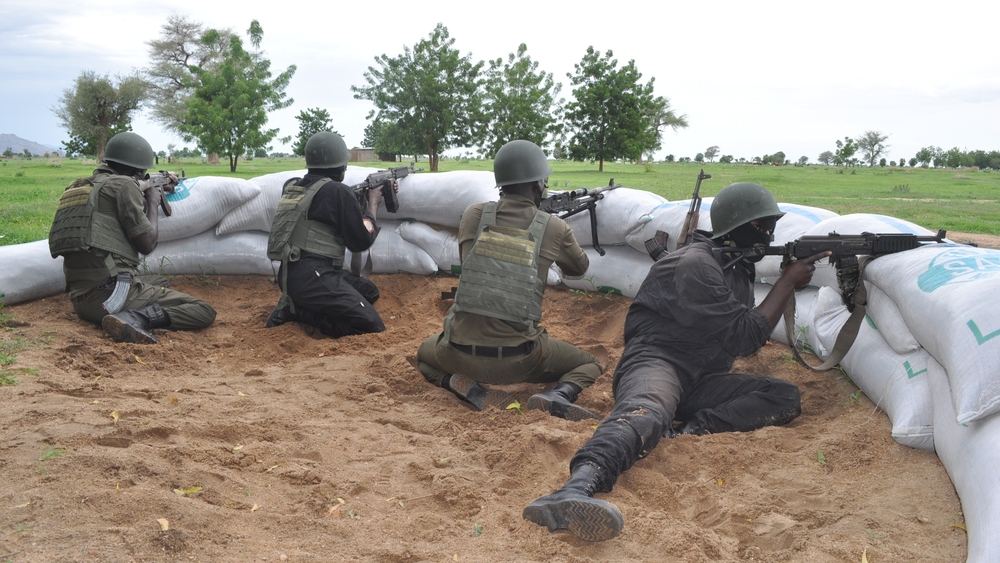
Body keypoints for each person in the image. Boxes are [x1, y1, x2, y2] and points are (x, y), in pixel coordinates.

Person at [522, 181, 831, 541]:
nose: (769, 235)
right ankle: (575, 487)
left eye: (772, 227)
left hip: (699, 377)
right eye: (761, 227)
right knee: (645, 411)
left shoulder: (735, 269)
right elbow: (747, 338)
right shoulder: (695, 264)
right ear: (736, 227)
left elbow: (745, 338)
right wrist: (788, 282)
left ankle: (685, 430)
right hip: (657, 362)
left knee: (783, 398)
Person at [416, 139, 604, 421]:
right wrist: (550, 229)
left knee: (424, 355)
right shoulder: (554, 227)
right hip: (520, 360)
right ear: (538, 184)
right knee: (590, 364)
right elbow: (578, 269)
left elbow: (473, 263)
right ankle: (558, 395)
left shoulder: (473, 215)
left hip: (457, 352)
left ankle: (462, 386)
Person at [48, 131, 216, 344]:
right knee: (203, 310)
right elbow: (147, 244)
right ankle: (134, 318)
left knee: (160, 280)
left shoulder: (77, 187)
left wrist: (156, 187)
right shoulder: (124, 186)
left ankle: (130, 310)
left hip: (81, 298)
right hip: (110, 299)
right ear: (138, 169)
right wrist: (153, 202)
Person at [264, 131, 387, 338]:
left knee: (369, 291)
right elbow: (361, 241)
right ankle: (298, 311)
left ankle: (298, 302)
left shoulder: (293, 186)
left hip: (292, 274)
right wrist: (372, 204)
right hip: (313, 277)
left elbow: (322, 210)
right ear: (340, 166)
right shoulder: (337, 192)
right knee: (371, 325)